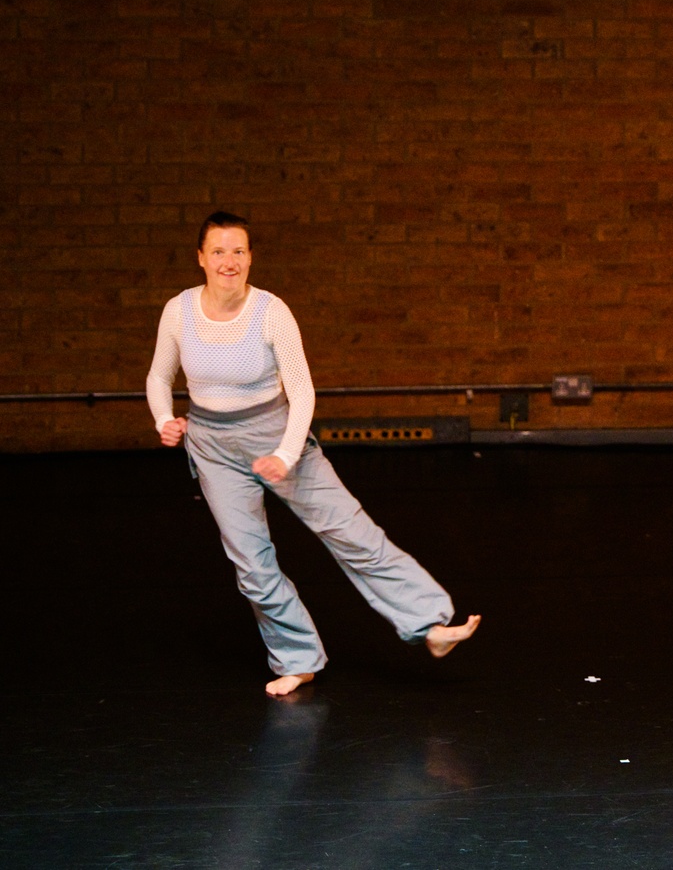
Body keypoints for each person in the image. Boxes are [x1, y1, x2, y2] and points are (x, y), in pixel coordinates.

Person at [147, 212, 480, 696]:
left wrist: (285, 454)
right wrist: (164, 419)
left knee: (350, 529)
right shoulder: (179, 311)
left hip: (277, 434)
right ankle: (297, 660)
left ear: (250, 258)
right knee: (252, 564)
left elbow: (301, 391)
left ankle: (429, 625)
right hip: (213, 446)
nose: (228, 261)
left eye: (238, 251)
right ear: (201, 258)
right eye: (218, 251)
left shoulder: (271, 311)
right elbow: (160, 376)